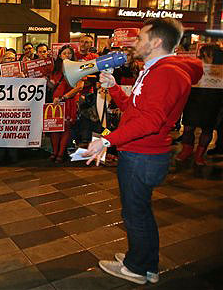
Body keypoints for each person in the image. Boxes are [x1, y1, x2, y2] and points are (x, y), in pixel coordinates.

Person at [84, 18, 203, 285]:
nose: (135, 42)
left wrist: (106, 141)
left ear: (157, 42)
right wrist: (114, 88)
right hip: (141, 154)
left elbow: (151, 121)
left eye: (140, 37)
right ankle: (145, 262)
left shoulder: (166, 73)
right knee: (140, 211)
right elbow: (134, 110)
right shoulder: (156, 69)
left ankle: (136, 267)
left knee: (134, 213)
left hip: (143, 157)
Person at [176, 44, 223, 165]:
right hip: (194, 100)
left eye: (208, 55)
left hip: (213, 101)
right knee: (188, 128)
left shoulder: (220, 68)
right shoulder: (195, 64)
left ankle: (199, 155)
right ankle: (186, 150)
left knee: (207, 130)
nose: (204, 57)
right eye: (203, 54)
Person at [48, 45, 83, 163]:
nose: (67, 55)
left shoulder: (77, 68)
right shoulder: (55, 69)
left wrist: (64, 97)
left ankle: (60, 154)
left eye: (69, 53)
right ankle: (54, 152)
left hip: (67, 102)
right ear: (59, 55)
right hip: (55, 102)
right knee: (54, 128)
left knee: (65, 129)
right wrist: (47, 82)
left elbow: (79, 87)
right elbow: (52, 86)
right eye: (64, 53)